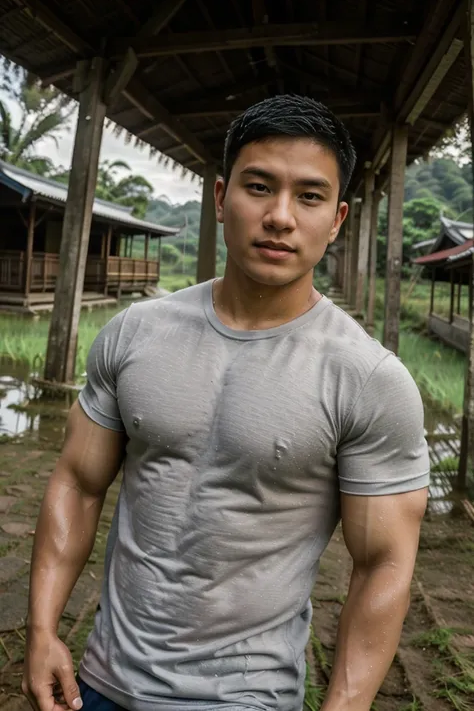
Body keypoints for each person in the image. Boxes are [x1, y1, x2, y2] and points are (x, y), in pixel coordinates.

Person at [23, 94, 429, 711]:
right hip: (99, 682)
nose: (281, 216)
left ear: (338, 218)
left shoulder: (368, 378)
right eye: (259, 187)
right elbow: (78, 483)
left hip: (245, 696)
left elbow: (384, 565)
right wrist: (43, 630)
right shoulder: (136, 333)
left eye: (310, 196)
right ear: (220, 198)